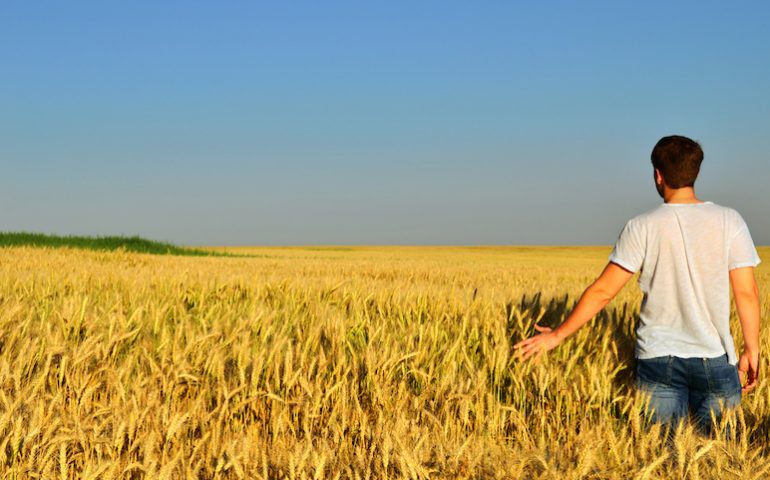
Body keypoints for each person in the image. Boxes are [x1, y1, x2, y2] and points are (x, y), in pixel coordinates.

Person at [513, 135, 761, 437]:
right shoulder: (729, 220)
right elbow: (746, 293)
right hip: (716, 357)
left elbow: (603, 292)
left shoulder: (642, 225)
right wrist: (752, 348)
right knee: (720, 456)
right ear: (696, 172)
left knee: (660, 458)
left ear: (658, 175)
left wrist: (557, 336)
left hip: (657, 359)